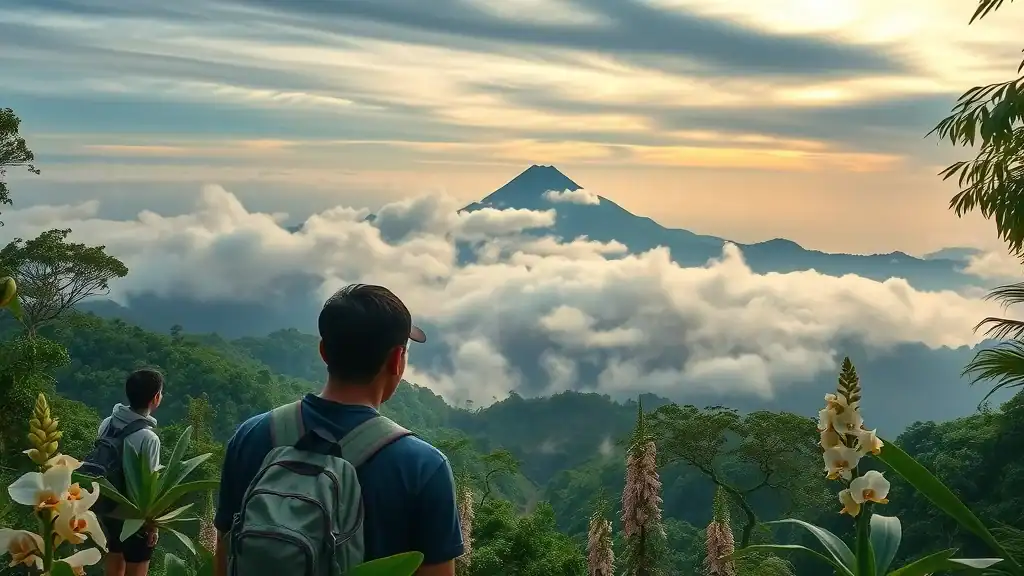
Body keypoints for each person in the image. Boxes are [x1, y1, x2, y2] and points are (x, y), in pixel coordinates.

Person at [214, 284, 464, 576]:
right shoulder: (423, 467)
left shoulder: (250, 436)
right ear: (397, 360)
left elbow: (226, 558)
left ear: (323, 351)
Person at [98, 368, 164, 576]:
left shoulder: (107, 424)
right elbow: (150, 484)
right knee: (137, 565)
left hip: (107, 507)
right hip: (135, 515)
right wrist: (152, 525)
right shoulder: (148, 437)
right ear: (156, 398)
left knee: (114, 559)